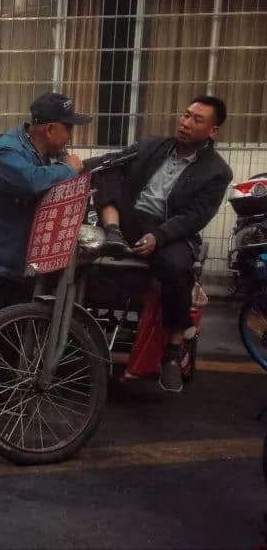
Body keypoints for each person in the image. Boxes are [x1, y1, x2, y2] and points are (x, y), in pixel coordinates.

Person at [0, 92, 88, 433]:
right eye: (68, 130)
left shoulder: (48, 153)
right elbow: (31, 183)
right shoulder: (8, 152)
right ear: (51, 128)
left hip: (20, 262)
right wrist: (66, 170)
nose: (71, 138)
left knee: (10, 335)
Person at [85, 96, 233, 393]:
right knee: (110, 169)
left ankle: (174, 350)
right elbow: (110, 160)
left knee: (178, 267)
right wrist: (78, 165)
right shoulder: (152, 145)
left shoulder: (217, 171)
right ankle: (112, 233)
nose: (186, 123)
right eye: (186, 115)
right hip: (128, 220)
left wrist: (159, 237)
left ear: (213, 131)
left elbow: (194, 217)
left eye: (197, 120)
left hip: (170, 230)